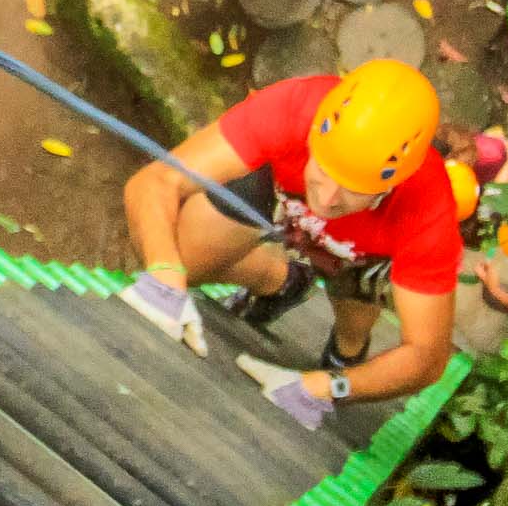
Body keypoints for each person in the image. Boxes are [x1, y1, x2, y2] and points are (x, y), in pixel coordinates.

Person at [113, 60, 462, 427]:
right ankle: (279, 279)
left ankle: (344, 353)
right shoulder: (293, 107)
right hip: (280, 195)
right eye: (324, 171)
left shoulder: (428, 211)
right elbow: (156, 181)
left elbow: (427, 356)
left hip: (361, 253)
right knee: (184, 259)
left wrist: (328, 388)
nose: (327, 200)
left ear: (393, 184)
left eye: (354, 189)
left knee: (353, 317)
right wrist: (165, 276)